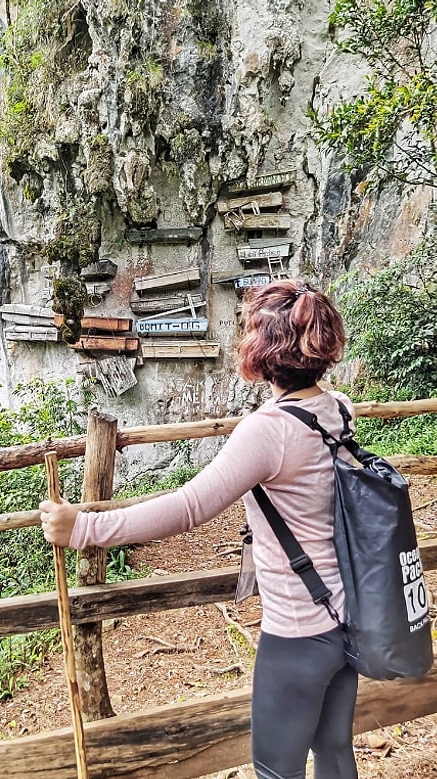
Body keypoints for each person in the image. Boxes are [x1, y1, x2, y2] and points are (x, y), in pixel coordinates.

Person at [39, 279, 359, 779]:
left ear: (262, 350)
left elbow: (189, 507)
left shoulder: (268, 430)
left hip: (297, 636)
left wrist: (83, 528)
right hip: (345, 617)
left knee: (277, 769)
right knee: (336, 753)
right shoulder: (338, 410)